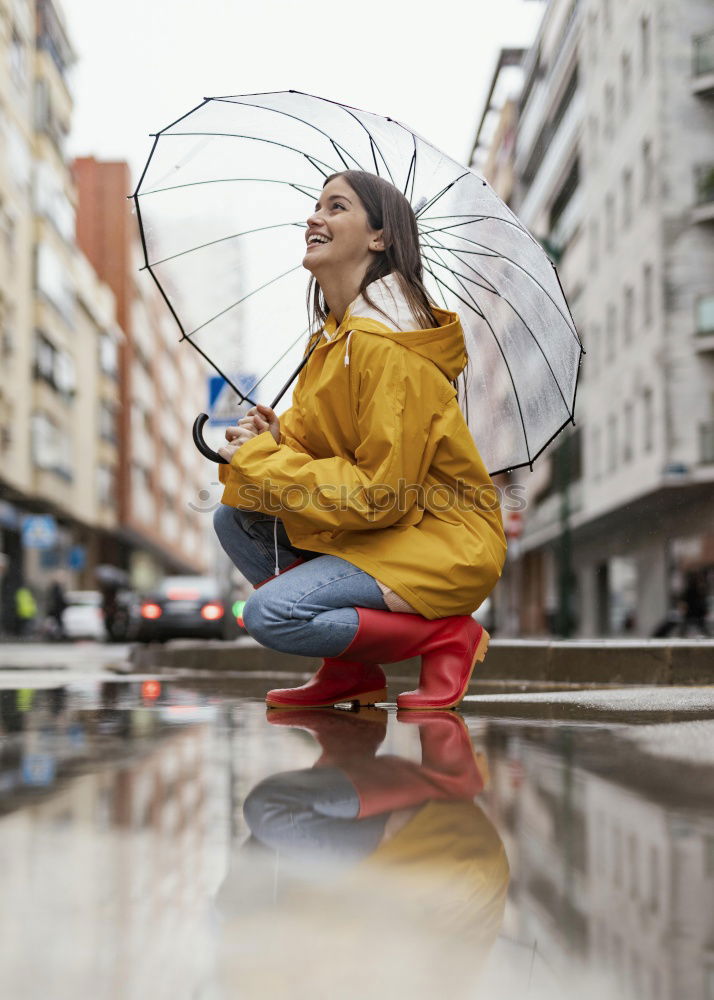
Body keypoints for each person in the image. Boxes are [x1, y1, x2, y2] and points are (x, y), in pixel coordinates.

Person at [213, 170, 507, 710]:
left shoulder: (388, 348)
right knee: (237, 516)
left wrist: (265, 461)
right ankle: (351, 672)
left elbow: (379, 495)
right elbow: (324, 460)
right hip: (390, 532)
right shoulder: (333, 342)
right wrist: (272, 443)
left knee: (270, 615)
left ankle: (446, 637)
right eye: (316, 204)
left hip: (442, 542)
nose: (314, 217)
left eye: (336, 207)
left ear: (380, 237)